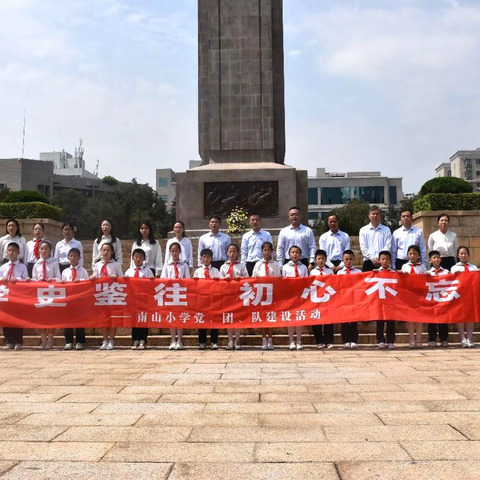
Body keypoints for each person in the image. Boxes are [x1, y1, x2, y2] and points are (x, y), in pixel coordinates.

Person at [427, 214, 458, 346]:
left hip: (449, 262)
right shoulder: (433, 235)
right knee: (434, 303)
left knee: (445, 302)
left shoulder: (453, 235)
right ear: (438, 222)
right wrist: (433, 261)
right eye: (441, 220)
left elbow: (456, 251)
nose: (444, 222)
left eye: (446, 220)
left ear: (449, 222)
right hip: (436, 262)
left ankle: (444, 338)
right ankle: (432, 338)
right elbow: (430, 250)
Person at [90, 242, 124, 350]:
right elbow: (95, 275)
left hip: (113, 294)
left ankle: (112, 340)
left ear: (112, 252)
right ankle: (104, 339)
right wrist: (92, 277)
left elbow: (122, 278)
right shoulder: (97, 265)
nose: (105, 252)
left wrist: (116, 278)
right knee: (103, 318)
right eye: (103, 250)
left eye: (108, 250)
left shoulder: (116, 265)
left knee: (113, 317)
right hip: (101, 294)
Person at [32, 240, 61, 350]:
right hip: (40, 293)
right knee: (41, 317)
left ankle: (50, 340)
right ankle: (43, 339)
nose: (44, 251)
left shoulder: (54, 262)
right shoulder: (36, 264)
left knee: (51, 317)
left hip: (50, 292)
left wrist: (52, 279)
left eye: (46, 249)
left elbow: (59, 277)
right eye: (42, 249)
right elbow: (34, 279)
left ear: (50, 251)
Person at [161, 242, 191, 350]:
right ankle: (172, 339)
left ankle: (179, 340)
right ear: (170, 252)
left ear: (180, 252)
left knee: (180, 316)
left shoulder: (184, 265)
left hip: (180, 293)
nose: (174, 253)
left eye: (176, 251)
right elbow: (163, 279)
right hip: (170, 293)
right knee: (172, 316)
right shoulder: (167, 265)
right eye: (172, 251)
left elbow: (188, 279)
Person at [253, 241, 282, 350]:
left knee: (270, 316)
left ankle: (270, 339)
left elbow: (277, 276)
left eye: (268, 250)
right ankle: (263, 339)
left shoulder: (275, 264)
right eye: (265, 250)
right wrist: (255, 277)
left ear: (272, 252)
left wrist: (278, 277)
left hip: (271, 293)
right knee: (262, 317)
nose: (266, 252)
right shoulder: (258, 264)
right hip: (261, 294)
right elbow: (253, 277)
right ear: (262, 251)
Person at [220, 244, 248, 350]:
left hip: (238, 295)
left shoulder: (241, 266)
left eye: (234, 251)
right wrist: (224, 278)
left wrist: (240, 278)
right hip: (227, 295)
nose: (232, 254)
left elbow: (247, 278)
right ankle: (230, 340)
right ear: (227, 253)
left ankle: (237, 340)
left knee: (237, 317)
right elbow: (218, 281)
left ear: (237, 253)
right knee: (228, 317)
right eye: (230, 251)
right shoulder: (223, 267)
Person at [0, 242, 28, 349]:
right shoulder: (3, 267)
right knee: (7, 318)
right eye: (9, 250)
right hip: (6, 296)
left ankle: (18, 341)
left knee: (17, 318)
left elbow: (26, 280)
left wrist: (18, 280)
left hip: (18, 297)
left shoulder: (22, 267)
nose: (11, 252)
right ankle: (9, 341)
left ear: (18, 253)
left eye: (13, 250)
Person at [60, 248, 89, 350]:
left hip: (79, 298)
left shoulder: (83, 271)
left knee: (79, 320)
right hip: (68, 298)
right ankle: (68, 341)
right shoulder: (65, 271)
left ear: (79, 258)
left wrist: (79, 281)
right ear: (68, 257)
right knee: (67, 319)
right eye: (71, 256)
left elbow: (87, 283)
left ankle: (79, 341)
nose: (73, 258)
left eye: (75, 256)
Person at [125, 248, 154, 350]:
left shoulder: (147, 271)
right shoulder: (129, 271)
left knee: (143, 319)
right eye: (136, 257)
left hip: (144, 300)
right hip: (133, 300)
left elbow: (152, 285)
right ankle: (135, 339)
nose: (138, 259)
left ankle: (143, 340)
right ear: (133, 258)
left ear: (144, 259)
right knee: (134, 320)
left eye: (140, 257)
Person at [282, 245, 308, 350]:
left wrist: (304, 296)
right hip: (289, 296)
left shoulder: (304, 267)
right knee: (290, 318)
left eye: (297, 252)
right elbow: (283, 282)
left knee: (299, 317)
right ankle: (291, 340)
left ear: (300, 255)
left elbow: (307, 282)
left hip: (300, 296)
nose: (295, 254)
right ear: (289, 255)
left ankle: (299, 340)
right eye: (293, 252)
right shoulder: (285, 267)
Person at [193, 248, 220, 350]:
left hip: (213, 299)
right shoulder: (198, 271)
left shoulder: (216, 271)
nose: (206, 259)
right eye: (204, 257)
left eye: (208, 257)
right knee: (201, 320)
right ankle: (202, 342)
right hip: (202, 299)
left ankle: (214, 341)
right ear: (201, 259)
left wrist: (218, 280)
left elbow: (222, 285)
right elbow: (193, 285)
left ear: (211, 258)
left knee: (214, 320)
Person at [451, 246, 478, 348]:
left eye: (465, 253)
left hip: (471, 295)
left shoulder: (473, 267)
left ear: (469, 255)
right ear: (458, 255)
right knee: (460, 317)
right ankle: (462, 338)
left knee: (470, 317)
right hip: (459, 295)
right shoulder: (454, 268)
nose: (463, 255)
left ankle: (470, 338)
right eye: (461, 253)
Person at [401, 245, 427, 348]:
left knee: (419, 318)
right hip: (408, 295)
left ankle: (419, 339)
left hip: (419, 295)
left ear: (419, 255)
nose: (412, 256)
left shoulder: (422, 267)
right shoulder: (405, 266)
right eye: (410, 254)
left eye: (415, 254)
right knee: (410, 318)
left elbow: (426, 280)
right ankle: (411, 338)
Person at [337, 249, 361, 348]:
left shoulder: (358, 272)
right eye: (346, 259)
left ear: (354, 260)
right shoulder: (339, 273)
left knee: (354, 320)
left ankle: (354, 340)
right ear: (343, 260)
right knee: (345, 320)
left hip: (354, 298)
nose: (348, 261)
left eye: (350, 259)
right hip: (344, 298)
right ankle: (346, 340)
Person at [310, 249, 334, 349]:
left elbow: (333, 284)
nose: (320, 261)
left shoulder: (330, 271)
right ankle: (319, 341)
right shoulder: (312, 272)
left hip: (327, 298)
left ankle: (328, 341)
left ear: (326, 260)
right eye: (319, 259)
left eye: (323, 259)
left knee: (328, 321)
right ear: (315, 260)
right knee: (317, 320)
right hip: (316, 299)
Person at [426, 250, 450, 347]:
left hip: (442, 298)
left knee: (443, 320)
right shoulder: (427, 273)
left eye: (438, 257)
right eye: (434, 257)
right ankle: (432, 339)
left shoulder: (446, 271)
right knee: (431, 320)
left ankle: (444, 339)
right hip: (431, 298)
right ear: (430, 260)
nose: (436, 259)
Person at [373, 250, 396, 349]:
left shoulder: (394, 273)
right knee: (380, 321)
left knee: (391, 321)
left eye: (387, 259)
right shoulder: (375, 272)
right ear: (379, 260)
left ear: (390, 261)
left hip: (391, 300)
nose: (385, 261)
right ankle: (381, 340)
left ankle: (390, 340)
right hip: (379, 300)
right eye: (383, 259)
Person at [359, 206, 392, 271]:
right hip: (368, 262)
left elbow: (388, 245)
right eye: (373, 214)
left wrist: (380, 258)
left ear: (380, 216)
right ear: (369, 216)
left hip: (383, 263)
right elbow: (363, 247)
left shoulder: (386, 230)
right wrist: (372, 258)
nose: (375, 216)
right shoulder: (363, 230)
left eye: (377, 214)